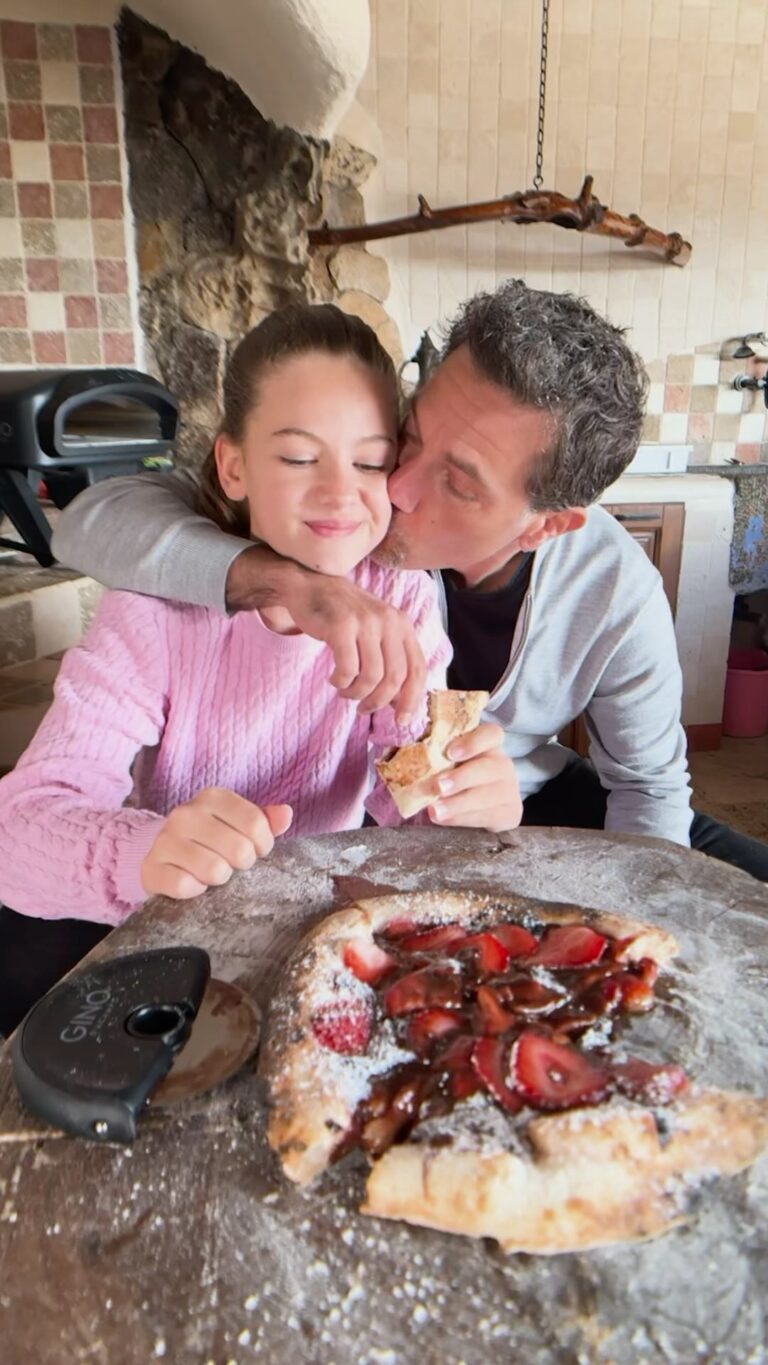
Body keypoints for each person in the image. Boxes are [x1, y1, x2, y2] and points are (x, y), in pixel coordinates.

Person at [51, 280, 768, 880]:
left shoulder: (617, 594)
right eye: (410, 439)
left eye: (457, 483)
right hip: (368, 812)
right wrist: (284, 582)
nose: (394, 487)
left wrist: (630, 929)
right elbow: (91, 521)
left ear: (542, 526)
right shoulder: (338, 531)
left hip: (516, 792)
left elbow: (646, 788)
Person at [0, 302, 523, 932]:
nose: (338, 491)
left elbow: (408, 798)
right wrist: (149, 852)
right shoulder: (152, 613)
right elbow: (18, 836)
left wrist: (464, 797)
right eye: (299, 458)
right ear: (234, 466)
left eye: (369, 461)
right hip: (180, 933)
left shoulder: (402, 596)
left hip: (321, 924)